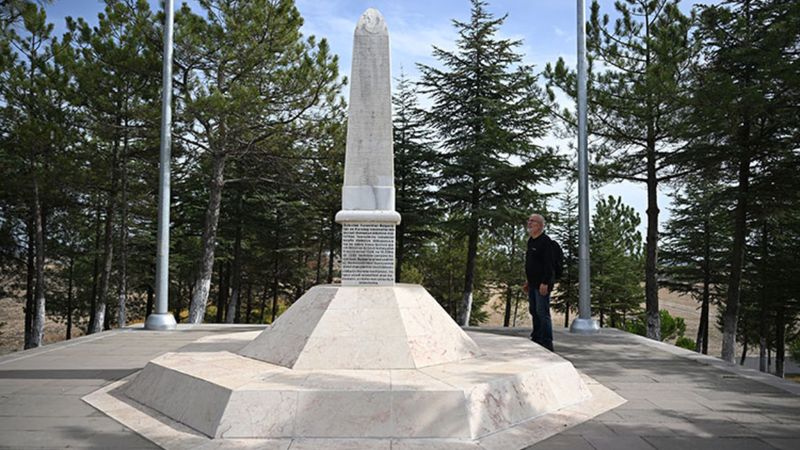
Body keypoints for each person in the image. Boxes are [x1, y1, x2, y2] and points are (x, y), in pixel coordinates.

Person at [523, 213, 555, 351]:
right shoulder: (531, 241)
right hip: (532, 283)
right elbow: (531, 264)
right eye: (529, 221)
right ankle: (536, 337)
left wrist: (545, 282)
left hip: (543, 284)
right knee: (534, 311)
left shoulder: (546, 242)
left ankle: (547, 342)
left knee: (542, 312)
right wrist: (528, 282)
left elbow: (549, 265)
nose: (529, 223)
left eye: (533, 221)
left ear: (541, 225)